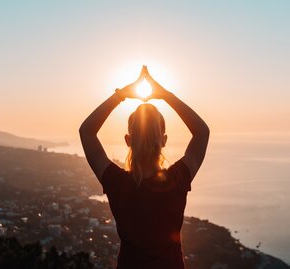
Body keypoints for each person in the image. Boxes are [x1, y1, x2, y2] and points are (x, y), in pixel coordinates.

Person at [79, 66, 210, 269]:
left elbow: (86, 131)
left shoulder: (117, 183)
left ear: (128, 140)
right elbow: (202, 132)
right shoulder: (177, 180)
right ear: (164, 140)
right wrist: (166, 96)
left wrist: (120, 95)